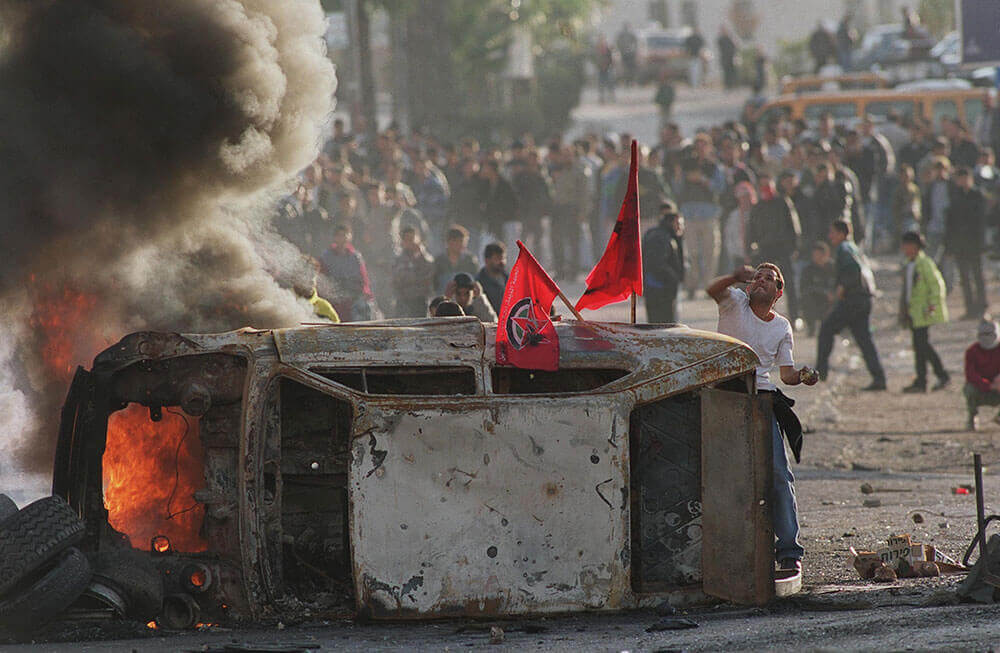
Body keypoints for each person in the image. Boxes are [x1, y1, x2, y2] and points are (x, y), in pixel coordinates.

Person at [707, 262, 818, 575]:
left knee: (778, 475)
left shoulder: (781, 326)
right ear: (748, 285)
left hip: (762, 402)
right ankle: (725, 548)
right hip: (726, 396)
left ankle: (789, 552)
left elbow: (786, 374)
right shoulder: (734, 304)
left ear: (778, 293)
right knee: (724, 476)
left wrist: (805, 376)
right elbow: (712, 289)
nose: (761, 280)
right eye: (757, 276)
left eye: (769, 279)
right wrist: (732, 274)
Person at [816, 219, 886, 390]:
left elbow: (853, 270)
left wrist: (841, 288)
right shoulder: (853, 247)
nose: (830, 236)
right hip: (863, 300)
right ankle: (879, 379)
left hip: (853, 300)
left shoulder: (844, 249)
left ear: (841, 233)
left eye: (833, 232)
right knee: (864, 340)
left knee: (826, 328)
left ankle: (820, 372)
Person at [898, 231, 950, 393]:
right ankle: (924, 380)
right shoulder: (909, 264)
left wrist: (932, 306)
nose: (904, 248)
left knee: (922, 346)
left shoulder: (925, 264)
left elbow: (937, 286)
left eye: (906, 245)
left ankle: (937, 376)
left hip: (923, 313)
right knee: (920, 346)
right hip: (914, 312)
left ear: (915, 246)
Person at [947, 167, 988, 319]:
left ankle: (982, 306)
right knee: (964, 278)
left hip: (974, 243)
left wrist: (982, 243)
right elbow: (950, 222)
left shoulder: (977, 195)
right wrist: (950, 245)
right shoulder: (955, 196)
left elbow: (981, 222)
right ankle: (969, 308)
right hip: (960, 244)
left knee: (978, 275)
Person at [319, 224, 376, 322]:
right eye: (339, 235)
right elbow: (322, 279)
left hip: (353, 298)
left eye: (345, 235)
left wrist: (363, 293)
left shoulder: (355, 257)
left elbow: (363, 279)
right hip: (335, 299)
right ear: (334, 238)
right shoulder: (326, 257)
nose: (342, 238)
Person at [643, 202, 685, 323]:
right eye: (679, 224)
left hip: (656, 290)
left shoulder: (662, 235)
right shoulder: (663, 238)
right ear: (671, 222)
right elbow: (657, 264)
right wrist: (673, 278)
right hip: (660, 291)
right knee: (665, 326)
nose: (681, 227)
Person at [964, 320, 1000, 430]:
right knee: (970, 388)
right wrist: (988, 385)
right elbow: (970, 374)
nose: (987, 337)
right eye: (983, 334)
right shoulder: (972, 351)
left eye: (990, 334)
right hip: (981, 387)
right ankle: (972, 416)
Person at [392, 226, 435, 318]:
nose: (410, 242)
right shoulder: (399, 259)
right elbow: (399, 278)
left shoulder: (425, 258)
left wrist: (419, 255)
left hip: (420, 300)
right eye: (406, 239)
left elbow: (430, 275)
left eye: (412, 239)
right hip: (403, 300)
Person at [799, 241, 835, 336]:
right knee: (807, 298)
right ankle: (811, 326)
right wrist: (824, 292)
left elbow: (839, 283)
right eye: (815, 255)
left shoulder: (833, 268)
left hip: (832, 299)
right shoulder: (808, 269)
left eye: (819, 255)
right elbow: (804, 287)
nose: (817, 257)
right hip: (816, 298)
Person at [432, 225, 479, 294]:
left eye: (464, 242)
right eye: (458, 241)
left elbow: (475, 282)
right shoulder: (439, 261)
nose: (462, 245)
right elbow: (434, 285)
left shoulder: (470, 260)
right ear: (449, 242)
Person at [476, 242, 509, 315]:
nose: (502, 262)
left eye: (503, 258)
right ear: (487, 260)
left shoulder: (510, 280)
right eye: (497, 258)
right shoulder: (479, 283)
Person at [615, 23, 638, 87]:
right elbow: (617, 42)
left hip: (631, 54)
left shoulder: (631, 34)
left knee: (631, 69)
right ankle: (627, 82)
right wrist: (620, 49)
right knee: (625, 69)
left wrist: (633, 49)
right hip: (624, 54)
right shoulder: (621, 35)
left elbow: (635, 42)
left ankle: (631, 81)